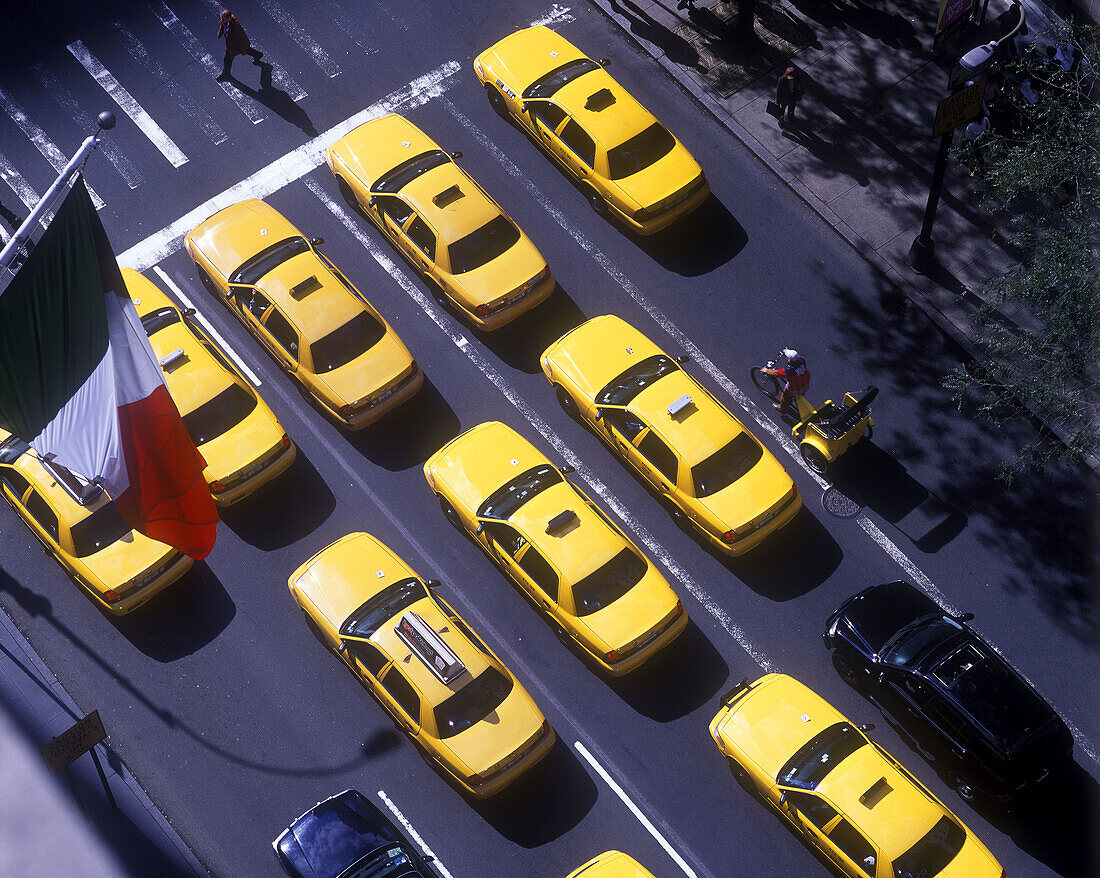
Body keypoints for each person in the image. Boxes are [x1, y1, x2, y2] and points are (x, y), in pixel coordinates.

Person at [216, 9, 263, 81]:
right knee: (247, 50)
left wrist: (238, 50)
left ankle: (226, 74)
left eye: (223, 19)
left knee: (227, 60)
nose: (222, 20)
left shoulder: (235, 26)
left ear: (229, 18)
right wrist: (220, 33)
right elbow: (222, 26)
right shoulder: (226, 20)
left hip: (235, 46)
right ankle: (257, 54)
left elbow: (239, 40)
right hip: (232, 45)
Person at [763, 349, 810, 414]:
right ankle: (795, 396)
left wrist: (766, 370)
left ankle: (781, 409)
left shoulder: (789, 370)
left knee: (784, 396)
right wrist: (786, 351)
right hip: (805, 381)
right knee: (797, 391)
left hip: (796, 387)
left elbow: (776, 373)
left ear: (789, 359)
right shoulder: (801, 359)